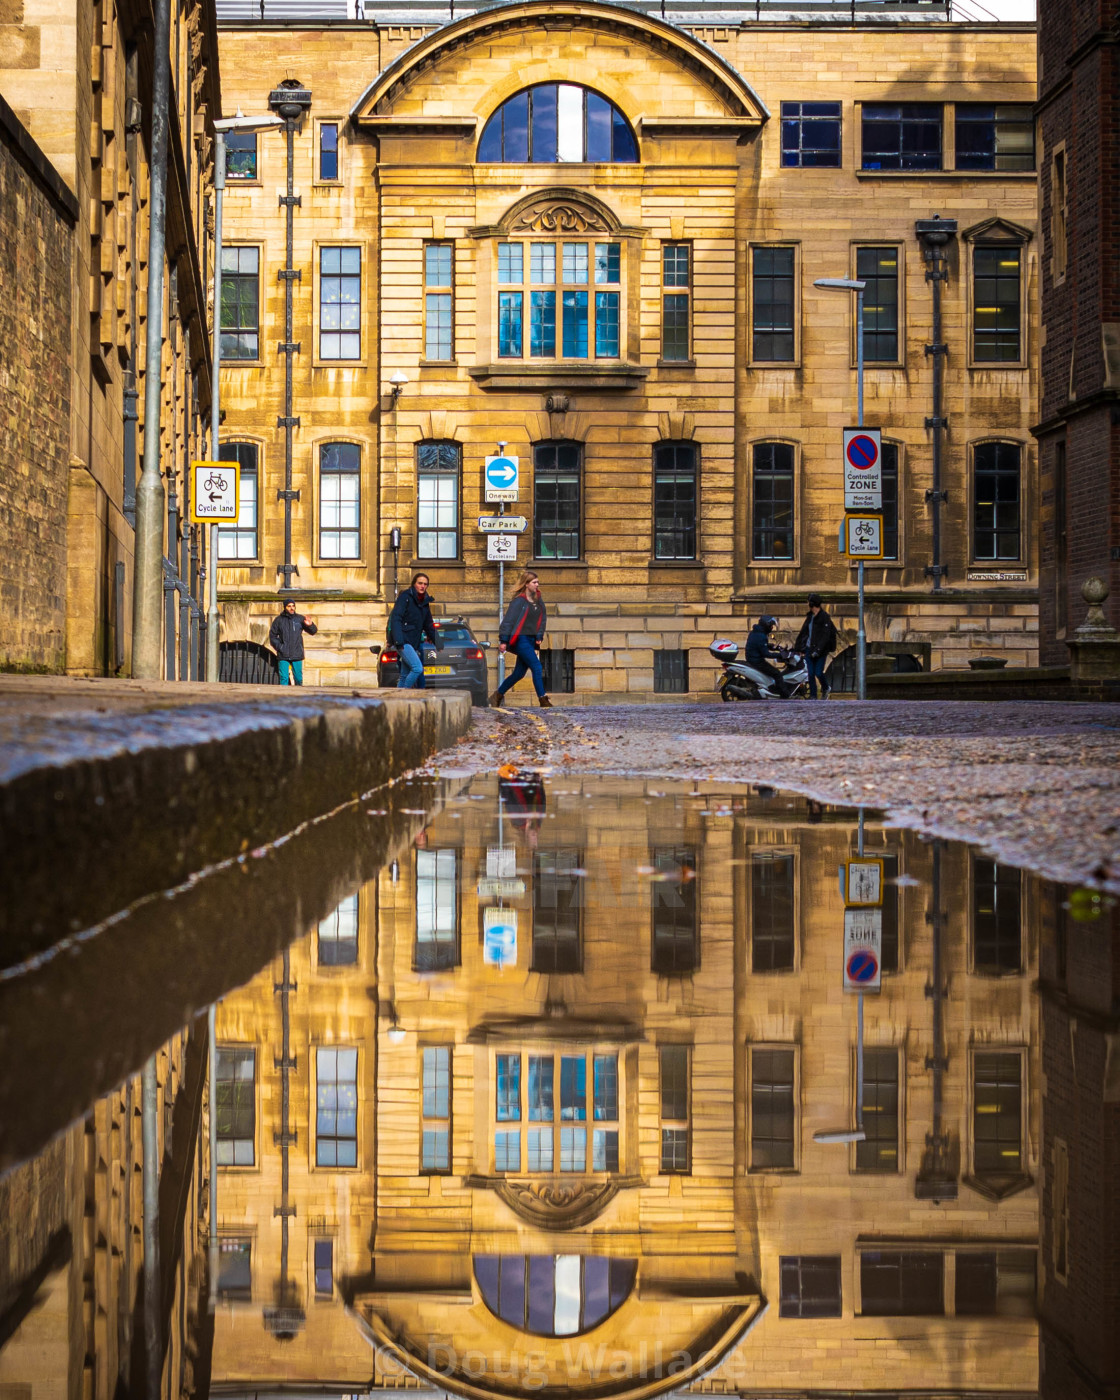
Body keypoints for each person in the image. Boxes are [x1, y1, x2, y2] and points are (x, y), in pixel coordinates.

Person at [490, 571, 551, 708]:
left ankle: (497, 696)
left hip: (531, 639)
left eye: (537, 582)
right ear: (526, 584)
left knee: (519, 673)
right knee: (536, 666)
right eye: (534, 582)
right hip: (520, 639)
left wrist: (539, 636)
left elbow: (543, 619)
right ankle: (543, 699)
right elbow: (508, 621)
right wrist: (503, 641)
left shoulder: (538, 600)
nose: (537, 585)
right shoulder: (519, 601)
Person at [389, 572, 440, 688]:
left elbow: (428, 624)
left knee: (404, 674)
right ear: (414, 584)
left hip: (413, 642)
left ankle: (397, 699)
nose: (423, 586)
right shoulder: (405, 597)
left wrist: (438, 642)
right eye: (420, 583)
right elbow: (395, 619)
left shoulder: (424, 602)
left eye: (425, 584)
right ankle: (404, 693)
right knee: (417, 668)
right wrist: (397, 640)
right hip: (403, 641)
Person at [794, 592, 838, 699]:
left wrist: (818, 650)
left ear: (812, 604)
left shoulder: (824, 617)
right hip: (809, 649)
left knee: (818, 672)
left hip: (821, 651)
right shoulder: (810, 617)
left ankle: (826, 687)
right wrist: (799, 648)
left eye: (808, 602)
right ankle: (813, 695)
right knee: (810, 673)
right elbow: (803, 633)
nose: (807, 604)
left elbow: (826, 636)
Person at [269, 596, 317, 686]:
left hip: (296, 653)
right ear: (285, 607)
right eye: (289, 606)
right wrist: (280, 647)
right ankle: (284, 697)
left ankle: (298, 696)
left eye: (293, 606)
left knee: (298, 678)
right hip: (283, 654)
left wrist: (310, 625)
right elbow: (272, 636)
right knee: (284, 678)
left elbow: (313, 631)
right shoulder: (279, 620)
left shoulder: (299, 619)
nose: (292, 608)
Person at [744, 614, 790, 698]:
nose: (772, 628)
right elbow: (766, 654)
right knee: (777, 674)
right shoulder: (761, 636)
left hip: (751, 659)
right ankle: (785, 695)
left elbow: (758, 646)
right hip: (757, 661)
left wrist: (770, 646)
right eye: (771, 626)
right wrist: (780, 655)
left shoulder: (755, 632)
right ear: (766, 625)